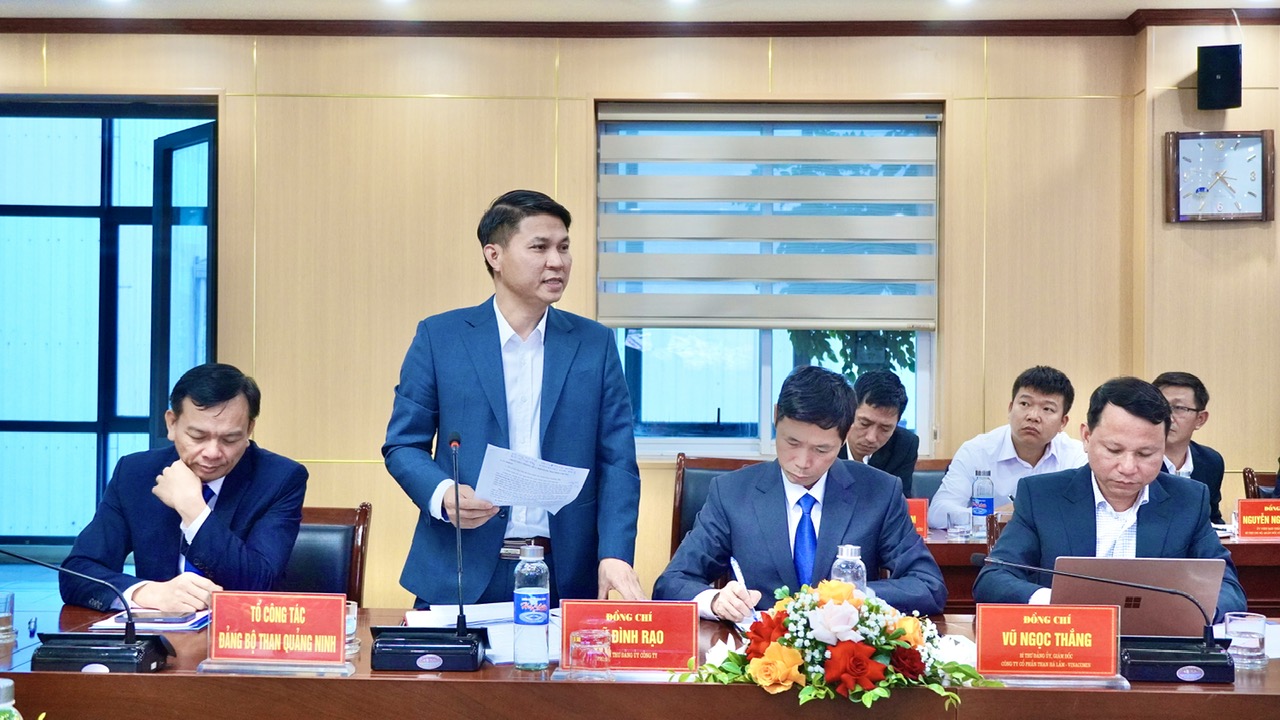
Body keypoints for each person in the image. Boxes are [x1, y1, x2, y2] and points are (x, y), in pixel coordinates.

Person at [384, 189, 643, 608]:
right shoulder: (441, 338)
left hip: (563, 573)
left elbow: (617, 462)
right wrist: (443, 493)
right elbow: (403, 445)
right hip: (458, 570)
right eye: (539, 247)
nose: (557, 261)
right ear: (495, 255)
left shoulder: (594, 344)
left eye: (564, 247)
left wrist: (615, 552)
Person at [654, 366, 946, 621]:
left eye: (822, 449)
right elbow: (672, 582)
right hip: (758, 654)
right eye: (792, 442)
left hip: (846, 656)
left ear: (844, 435)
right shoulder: (731, 493)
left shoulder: (879, 492)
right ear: (776, 417)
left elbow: (928, 585)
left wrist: (856, 596)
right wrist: (716, 601)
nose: (803, 462)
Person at [972, 377, 1246, 619]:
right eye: (1114, 450)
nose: (1128, 467)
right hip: (1068, 643)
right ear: (1087, 437)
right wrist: (1054, 601)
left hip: (1157, 645)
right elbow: (993, 579)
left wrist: (1188, 611)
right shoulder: (1041, 496)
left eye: (1145, 454)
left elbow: (1229, 589)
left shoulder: (1188, 500)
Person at [61, 363, 308, 612]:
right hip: (159, 633)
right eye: (198, 437)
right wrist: (147, 592)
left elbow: (259, 584)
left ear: (249, 430)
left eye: (230, 439)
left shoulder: (279, 479)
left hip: (241, 630)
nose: (212, 452)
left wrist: (194, 510)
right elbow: (77, 572)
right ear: (172, 424)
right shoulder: (135, 474)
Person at [927, 366, 1087, 529]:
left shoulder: (1076, 457)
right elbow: (938, 514)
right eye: (1025, 404)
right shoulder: (977, 451)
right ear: (1010, 409)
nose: (1033, 416)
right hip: (993, 544)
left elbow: (1086, 515)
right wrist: (998, 516)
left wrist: (1026, 512)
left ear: (1063, 422)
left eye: (1047, 409)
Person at [1152, 371, 1225, 524]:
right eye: (1161, 406)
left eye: (1179, 408)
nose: (1168, 417)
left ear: (1200, 419)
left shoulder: (1211, 461)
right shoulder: (1139, 459)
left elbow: (1212, 519)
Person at [837, 369, 920, 496]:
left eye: (885, 429)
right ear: (850, 411)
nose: (871, 438)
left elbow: (900, 500)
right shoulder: (827, 437)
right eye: (864, 423)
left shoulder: (904, 445)